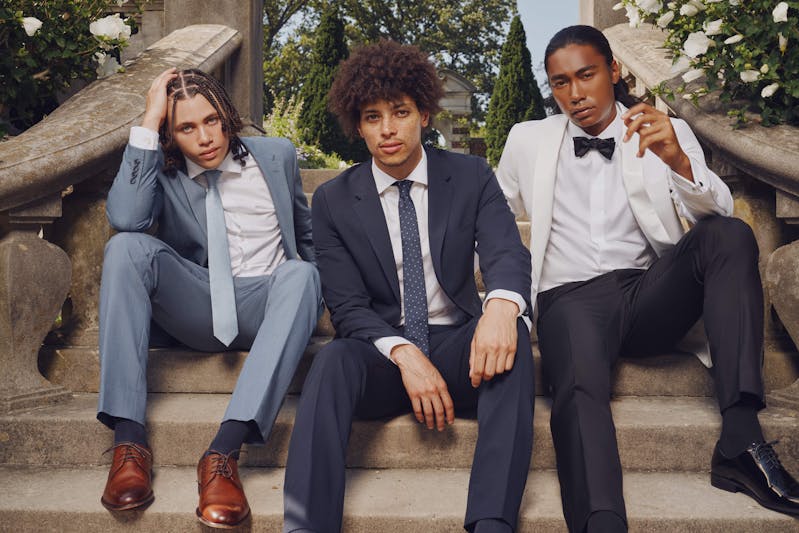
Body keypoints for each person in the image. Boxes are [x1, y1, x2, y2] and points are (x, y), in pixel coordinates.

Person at [496, 24, 799, 533]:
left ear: (614, 71)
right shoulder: (527, 140)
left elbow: (719, 210)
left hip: (646, 292)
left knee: (728, 236)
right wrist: (497, 302)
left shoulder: (665, 128)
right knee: (579, 390)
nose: (575, 94)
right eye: (561, 83)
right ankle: (601, 519)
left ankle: (740, 441)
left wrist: (677, 159)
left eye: (586, 75)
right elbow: (492, 216)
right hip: (568, 299)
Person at [282, 40, 535, 533]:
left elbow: (506, 252)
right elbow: (348, 307)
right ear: (358, 126)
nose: (388, 128)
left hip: (459, 346)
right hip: (382, 353)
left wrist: (501, 310)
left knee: (514, 340)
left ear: (423, 114)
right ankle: (306, 525)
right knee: (332, 359)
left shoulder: (470, 176)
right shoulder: (333, 199)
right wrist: (404, 354)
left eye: (400, 112)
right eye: (373, 117)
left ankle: (491, 522)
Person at [97, 68, 322, 529]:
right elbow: (125, 218)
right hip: (199, 304)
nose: (204, 137)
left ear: (227, 115)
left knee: (302, 273)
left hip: (269, 301)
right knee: (125, 248)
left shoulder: (276, 156)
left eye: (212, 120)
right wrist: (149, 118)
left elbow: (308, 236)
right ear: (169, 134)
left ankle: (223, 453)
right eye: (185, 127)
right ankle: (128, 443)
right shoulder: (160, 172)